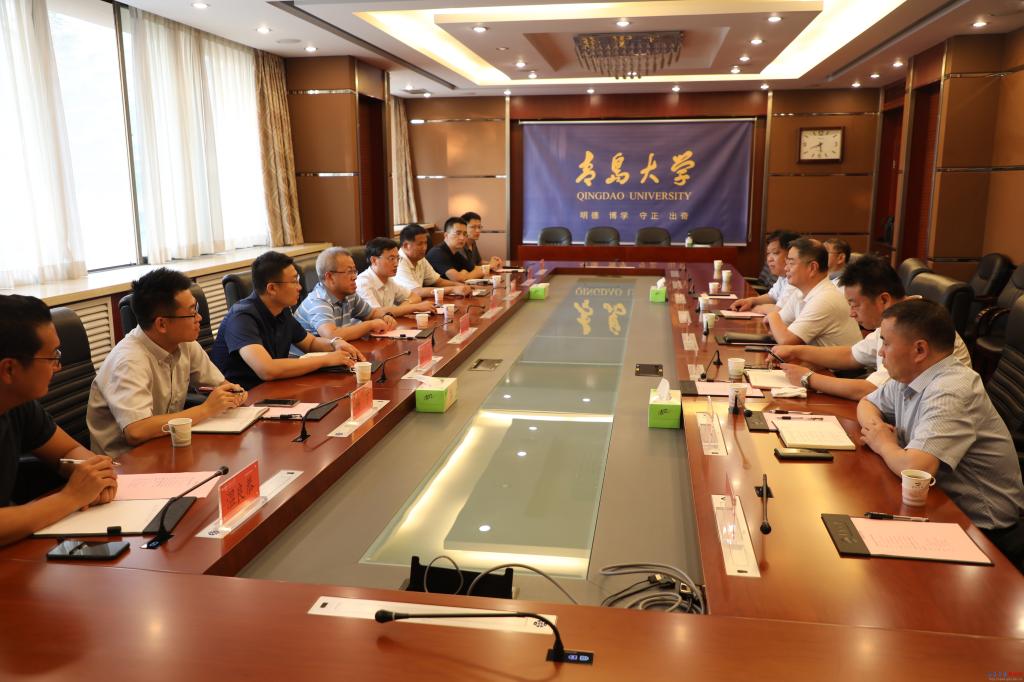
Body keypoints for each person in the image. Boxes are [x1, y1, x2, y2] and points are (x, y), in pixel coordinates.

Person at [857, 299, 1024, 569]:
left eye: (886, 343)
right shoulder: (909, 375)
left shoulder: (951, 389)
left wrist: (883, 442)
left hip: (983, 528)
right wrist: (878, 430)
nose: (881, 352)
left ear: (919, 350)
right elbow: (867, 403)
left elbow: (916, 469)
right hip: (937, 502)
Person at [87, 269, 249, 457]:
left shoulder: (185, 343)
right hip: (125, 462)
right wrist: (206, 409)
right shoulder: (128, 360)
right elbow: (136, 431)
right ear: (162, 324)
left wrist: (233, 394)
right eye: (192, 313)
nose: (199, 318)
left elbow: (220, 385)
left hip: (165, 447)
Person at [0, 295, 117, 547]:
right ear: (9, 369)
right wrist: (70, 498)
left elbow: (66, 451)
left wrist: (95, 475)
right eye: (52, 356)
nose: (58, 366)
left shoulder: (17, 403)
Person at [773, 255, 971, 400]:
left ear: (883, 300)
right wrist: (796, 351)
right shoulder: (895, 319)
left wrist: (808, 379)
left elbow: (871, 390)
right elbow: (851, 355)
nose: (851, 313)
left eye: (855, 305)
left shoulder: (914, 327)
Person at [210, 251, 358, 389]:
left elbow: (310, 343)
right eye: (294, 281)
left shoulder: (282, 310)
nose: (300, 287)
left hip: (273, 388)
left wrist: (335, 343)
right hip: (243, 397)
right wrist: (326, 359)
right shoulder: (241, 317)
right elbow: (267, 370)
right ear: (272, 288)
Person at [762, 238, 862, 348]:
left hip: (834, 360)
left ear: (812, 268)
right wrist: (775, 322)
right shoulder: (800, 292)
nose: (786, 268)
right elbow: (776, 328)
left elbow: (786, 340)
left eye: (791, 263)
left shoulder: (826, 299)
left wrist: (772, 315)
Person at [295, 247, 395, 343]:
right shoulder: (318, 301)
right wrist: (370, 325)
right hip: (310, 355)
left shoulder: (349, 295)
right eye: (349, 272)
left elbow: (371, 314)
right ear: (330, 277)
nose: (355, 277)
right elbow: (331, 335)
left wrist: (385, 317)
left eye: (354, 271)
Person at [355, 238, 435, 315]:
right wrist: (415, 307)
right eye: (391, 258)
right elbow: (377, 313)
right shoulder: (363, 283)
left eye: (397, 258)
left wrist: (399, 310)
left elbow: (415, 297)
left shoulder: (389, 280)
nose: (396, 263)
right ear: (374, 260)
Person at [392, 224, 471, 297]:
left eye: (425, 243)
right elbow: (416, 292)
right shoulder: (398, 262)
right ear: (406, 245)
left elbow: (438, 282)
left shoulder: (420, 258)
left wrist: (461, 286)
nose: (424, 248)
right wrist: (452, 289)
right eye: (420, 244)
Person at [731, 230, 800, 313]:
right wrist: (750, 301)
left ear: (791, 254)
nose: (769, 259)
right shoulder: (783, 276)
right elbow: (772, 296)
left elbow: (780, 310)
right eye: (768, 253)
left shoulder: (797, 279)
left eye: (775, 253)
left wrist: (754, 309)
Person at [426, 216, 490, 283]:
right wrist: (464, 274)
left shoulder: (455, 252)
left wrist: (465, 273)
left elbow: (476, 269)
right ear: (446, 235)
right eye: (458, 233)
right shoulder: (437, 253)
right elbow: (459, 279)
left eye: (465, 234)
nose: (462, 238)